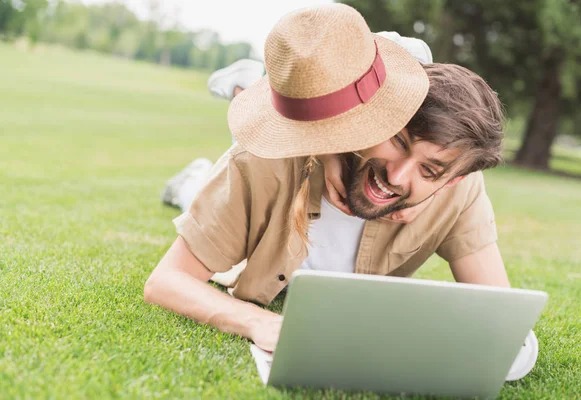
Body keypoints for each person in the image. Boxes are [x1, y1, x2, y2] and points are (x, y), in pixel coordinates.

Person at [146, 4, 536, 381]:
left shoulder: (452, 177)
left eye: (430, 170)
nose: (399, 175)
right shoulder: (262, 160)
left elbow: (504, 320)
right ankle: (242, 91)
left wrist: (427, 192)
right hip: (271, 165)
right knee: (209, 186)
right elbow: (167, 280)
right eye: (397, 142)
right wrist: (261, 324)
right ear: (388, 116)